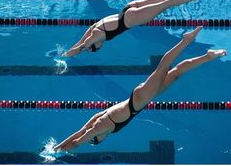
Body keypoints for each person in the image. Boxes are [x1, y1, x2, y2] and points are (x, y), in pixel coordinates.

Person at [54, 26, 227, 151]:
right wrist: (58, 147)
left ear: (97, 137)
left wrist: (62, 152)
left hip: (139, 101)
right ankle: (207, 56)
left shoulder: (99, 128)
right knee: (175, 73)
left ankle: (186, 40)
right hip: (136, 98)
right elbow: (78, 132)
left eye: (95, 141)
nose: (97, 140)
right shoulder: (96, 121)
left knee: (163, 67)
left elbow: (77, 141)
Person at [62, 0, 212, 57]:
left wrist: (63, 57)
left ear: (95, 44)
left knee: (164, 4)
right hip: (127, 9)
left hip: (131, 18)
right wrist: (70, 49)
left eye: (95, 49)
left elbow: (80, 47)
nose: (97, 48)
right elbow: (80, 42)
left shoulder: (95, 36)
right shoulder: (93, 29)